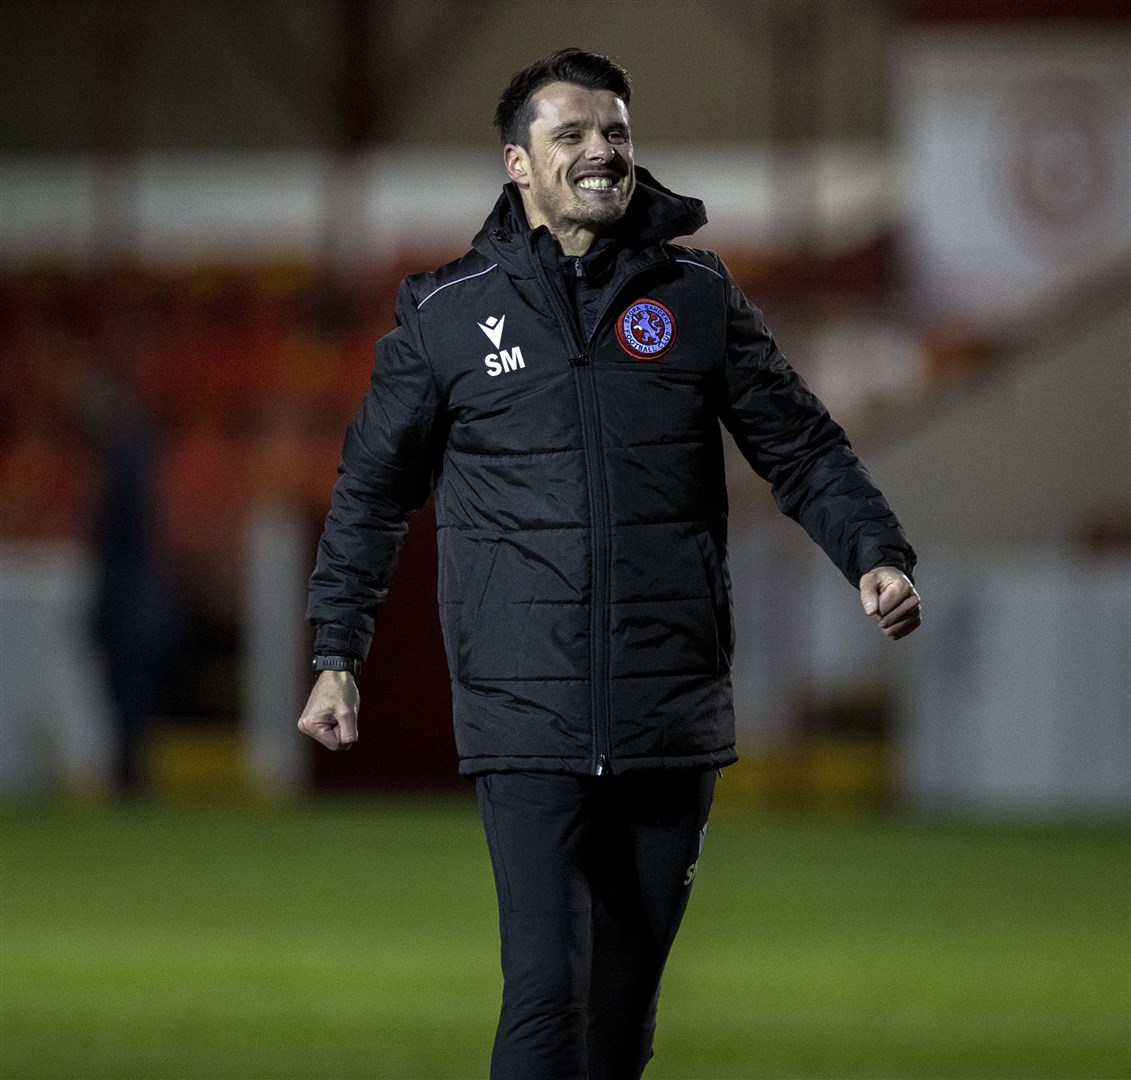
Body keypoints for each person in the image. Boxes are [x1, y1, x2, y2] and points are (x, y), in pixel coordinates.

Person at [298, 48, 921, 1080]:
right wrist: (336, 650)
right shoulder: (447, 314)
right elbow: (370, 491)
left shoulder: (697, 299)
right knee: (545, 996)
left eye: (617, 134)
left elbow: (804, 448)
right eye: (572, 135)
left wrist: (875, 554)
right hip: (523, 710)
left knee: (620, 1014)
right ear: (518, 164)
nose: (602, 152)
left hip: (669, 710)